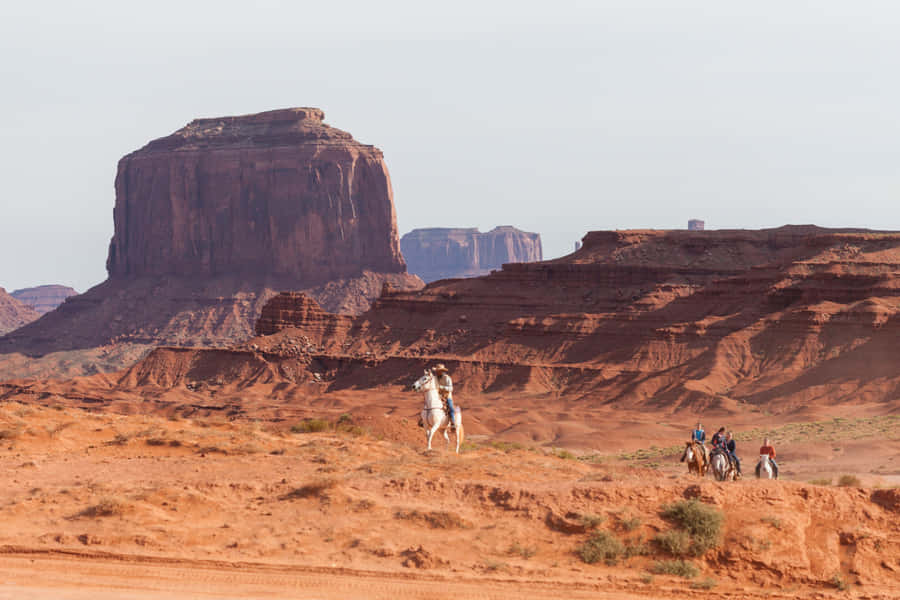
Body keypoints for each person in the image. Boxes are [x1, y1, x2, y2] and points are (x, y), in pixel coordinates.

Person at [432, 364, 455, 429]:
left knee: (451, 408)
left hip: (446, 396)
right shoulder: (434, 378)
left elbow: (451, 388)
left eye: (438, 371)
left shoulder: (447, 378)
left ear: (442, 371)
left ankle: (453, 422)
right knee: (428, 403)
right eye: (436, 371)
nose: (436, 372)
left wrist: (441, 387)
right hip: (438, 396)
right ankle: (424, 419)